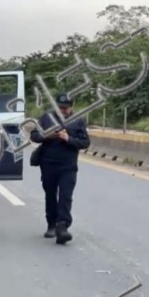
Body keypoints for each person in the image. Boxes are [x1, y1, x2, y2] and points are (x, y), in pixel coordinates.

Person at [30, 92, 91, 245]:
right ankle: (51, 223)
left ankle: (62, 227)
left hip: (68, 166)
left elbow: (85, 142)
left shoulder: (78, 120)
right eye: (60, 107)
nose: (63, 110)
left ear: (72, 107)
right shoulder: (46, 118)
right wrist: (47, 135)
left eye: (65, 108)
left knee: (65, 196)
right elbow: (34, 135)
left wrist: (68, 139)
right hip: (48, 164)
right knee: (50, 194)